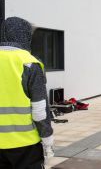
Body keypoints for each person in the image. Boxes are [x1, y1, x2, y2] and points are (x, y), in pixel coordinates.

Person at [0, 17, 54, 169]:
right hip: (25, 146)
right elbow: (39, 111)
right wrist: (47, 139)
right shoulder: (29, 63)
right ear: (26, 36)